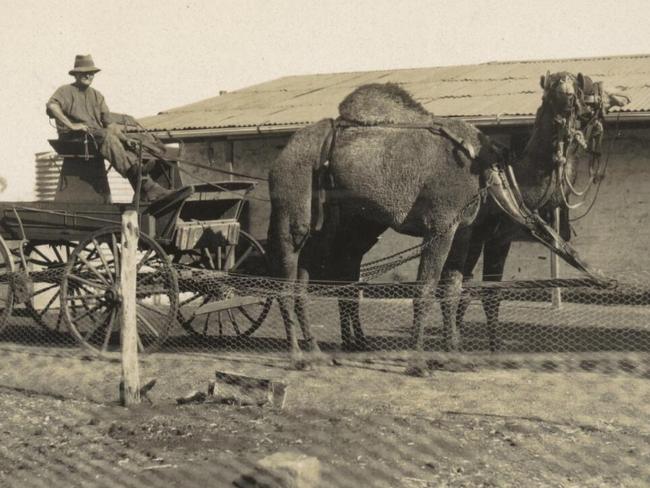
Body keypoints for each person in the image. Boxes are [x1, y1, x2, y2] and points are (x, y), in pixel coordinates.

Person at [46, 54, 172, 201]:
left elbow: (110, 124)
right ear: (76, 74)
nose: (88, 75)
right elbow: (52, 105)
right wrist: (71, 125)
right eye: (84, 72)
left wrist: (125, 139)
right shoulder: (65, 91)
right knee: (106, 136)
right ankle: (144, 182)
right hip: (74, 138)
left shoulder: (97, 95)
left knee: (124, 142)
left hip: (95, 137)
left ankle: (145, 187)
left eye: (91, 72)